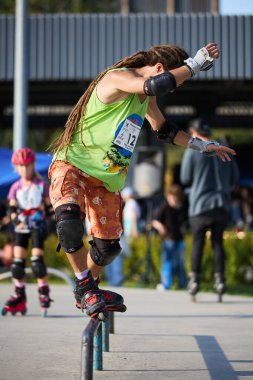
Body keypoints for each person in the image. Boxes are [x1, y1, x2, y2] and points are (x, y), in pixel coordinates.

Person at [48, 41, 235, 319]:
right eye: (170, 84)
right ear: (158, 69)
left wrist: (202, 146)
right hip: (73, 165)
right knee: (69, 223)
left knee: (107, 248)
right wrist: (193, 66)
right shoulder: (117, 78)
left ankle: (85, 290)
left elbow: (165, 131)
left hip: (106, 179)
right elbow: (152, 86)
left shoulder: (145, 99)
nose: (170, 90)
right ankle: (86, 287)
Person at [180, 119, 239, 300]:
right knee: (218, 243)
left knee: (198, 242)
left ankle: (195, 281)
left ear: (195, 132)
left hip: (200, 205)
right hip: (221, 204)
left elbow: (185, 178)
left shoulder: (193, 151)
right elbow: (234, 177)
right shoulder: (223, 148)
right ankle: (220, 280)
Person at [2, 148, 53, 316]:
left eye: (28, 166)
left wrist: (57, 221)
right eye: (21, 166)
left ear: (33, 166)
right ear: (16, 168)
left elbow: (48, 206)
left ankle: (43, 292)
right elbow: (11, 208)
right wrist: (15, 218)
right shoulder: (15, 187)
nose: (25, 169)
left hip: (38, 227)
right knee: (17, 265)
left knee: (37, 263)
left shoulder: (41, 185)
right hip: (20, 228)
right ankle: (19, 296)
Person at [152, 184, 187, 290]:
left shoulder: (182, 207)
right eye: (170, 197)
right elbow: (155, 221)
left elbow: (185, 222)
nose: (172, 199)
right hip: (168, 239)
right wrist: (160, 227)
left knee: (180, 262)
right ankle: (166, 284)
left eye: (175, 197)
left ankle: (182, 284)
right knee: (167, 262)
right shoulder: (164, 207)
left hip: (179, 238)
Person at [105, 186, 141, 286]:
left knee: (110, 255)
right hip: (117, 233)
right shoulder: (121, 204)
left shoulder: (114, 203)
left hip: (110, 232)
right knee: (116, 255)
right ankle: (116, 280)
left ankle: (112, 280)